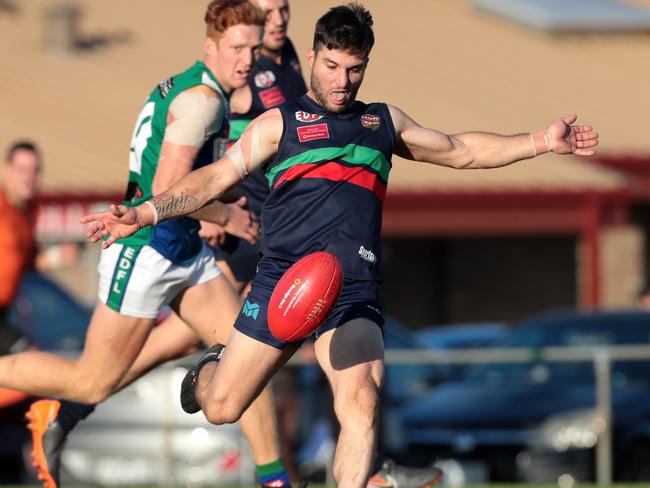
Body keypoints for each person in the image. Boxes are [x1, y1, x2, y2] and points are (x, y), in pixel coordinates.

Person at [79, 3, 599, 486]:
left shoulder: (381, 123)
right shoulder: (278, 125)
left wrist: (541, 142)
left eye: (354, 69)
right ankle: (210, 368)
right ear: (312, 57)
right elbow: (210, 180)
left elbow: (460, 150)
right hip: (283, 286)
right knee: (222, 407)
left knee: (361, 402)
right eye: (331, 66)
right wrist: (144, 211)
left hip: (350, 295)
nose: (342, 81)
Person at [0, 2, 294, 488]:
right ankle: (52, 411)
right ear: (210, 47)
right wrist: (226, 214)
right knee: (92, 380)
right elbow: (167, 189)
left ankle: (274, 480)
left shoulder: (198, 89)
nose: (247, 59)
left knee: (246, 355)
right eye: (236, 48)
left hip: (183, 251)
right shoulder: (204, 100)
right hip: (146, 251)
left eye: (253, 47)